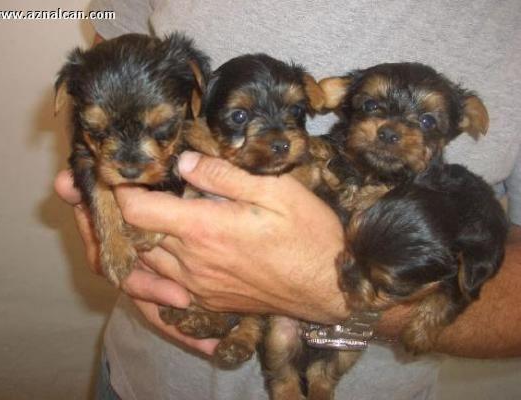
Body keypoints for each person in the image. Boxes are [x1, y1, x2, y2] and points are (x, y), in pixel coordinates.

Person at [55, 1, 521, 399]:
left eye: (298, 112)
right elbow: (100, 86)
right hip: (143, 379)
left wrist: (343, 294)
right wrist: (103, 215)